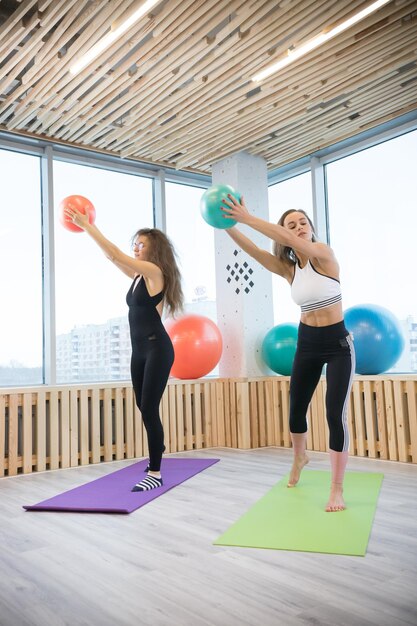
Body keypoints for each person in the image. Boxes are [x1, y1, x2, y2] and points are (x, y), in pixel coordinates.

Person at [221, 196, 355, 512]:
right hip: (307, 342)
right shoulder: (289, 270)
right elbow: (255, 252)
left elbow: (284, 239)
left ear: (310, 228)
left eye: (302, 223)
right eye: (291, 225)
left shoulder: (324, 255)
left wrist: (247, 216)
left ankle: (337, 489)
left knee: (335, 414)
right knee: (295, 409)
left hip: (337, 345)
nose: (298, 228)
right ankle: (300, 458)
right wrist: (228, 225)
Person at [64, 206, 183, 492]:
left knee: (150, 409)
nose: (136, 247)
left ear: (154, 250)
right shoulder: (137, 277)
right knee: (143, 407)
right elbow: (111, 256)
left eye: (142, 244)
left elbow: (116, 253)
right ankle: (159, 447)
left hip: (157, 349)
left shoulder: (155, 272)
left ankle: (155, 473)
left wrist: (88, 224)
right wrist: (89, 233)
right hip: (139, 350)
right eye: (136, 243)